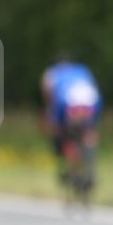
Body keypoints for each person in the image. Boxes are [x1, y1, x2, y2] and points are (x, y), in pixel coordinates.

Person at [40, 56, 102, 193]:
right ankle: (90, 170)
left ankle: (68, 167)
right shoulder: (82, 69)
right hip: (92, 100)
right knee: (89, 133)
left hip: (66, 103)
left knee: (61, 133)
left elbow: (47, 94)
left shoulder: (53, 73)